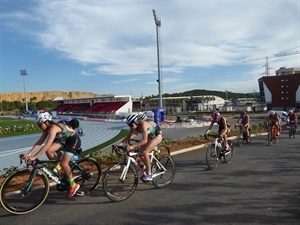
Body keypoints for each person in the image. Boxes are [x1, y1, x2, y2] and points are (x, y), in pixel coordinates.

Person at [20, 112, 81, 198]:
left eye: (40, 124)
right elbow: (39, 143)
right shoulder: (46, 130)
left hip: (73, 141)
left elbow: (47, 144)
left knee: (64, 163)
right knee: (49, 151)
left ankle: (73, 184)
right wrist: (29, 154)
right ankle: (59, 169)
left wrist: (35, 157)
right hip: (64, 141)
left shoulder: (53, 128)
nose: (39, 127)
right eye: (38, 125)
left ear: (46, 122)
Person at [117, 113, 162, 182]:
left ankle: (149, 174)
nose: (130, 126)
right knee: (140, 154)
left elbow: (144, 140)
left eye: (131, 125)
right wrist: (119, 144)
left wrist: (132, 146)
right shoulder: (134, 126)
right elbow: (128, 137)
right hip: (150, 138)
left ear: (136, 122)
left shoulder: (143, 125)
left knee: (145, 152)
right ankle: (148, 167)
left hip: (157, 136)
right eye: (129, 125)